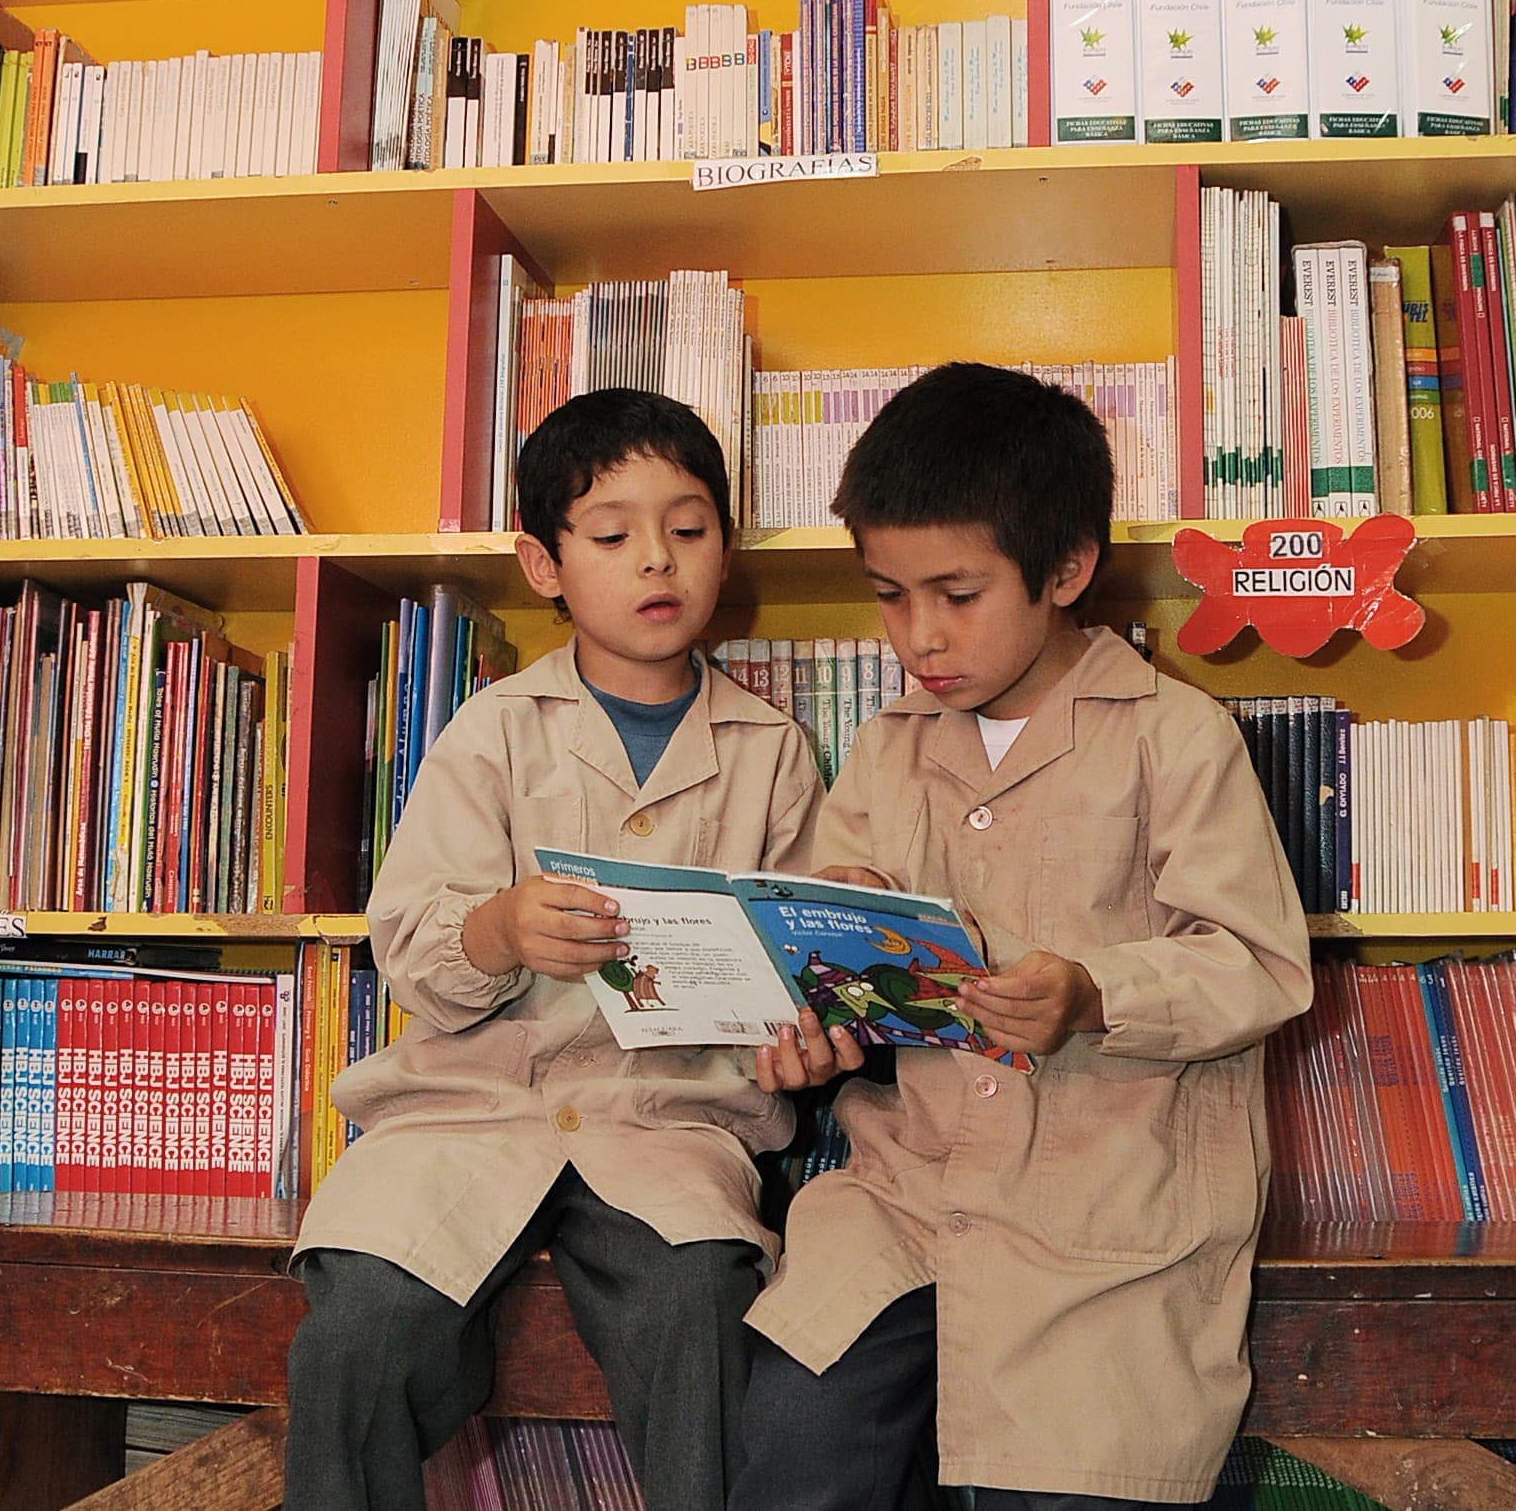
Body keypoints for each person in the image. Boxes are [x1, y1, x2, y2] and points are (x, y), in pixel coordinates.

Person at [730, 362, 1313, 1510]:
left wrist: (1096, 992)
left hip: (1107, 1209)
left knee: (1059, 1475)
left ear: (1066, 569)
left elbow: (1259, 962)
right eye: (890, 594)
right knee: (796, 1428)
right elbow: (837, 957)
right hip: (908, 1189)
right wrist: (815, 1000)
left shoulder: (1176, 736)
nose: (918, 635)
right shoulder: (891, 745)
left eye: (956, 592)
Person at [287, 388, 823, 1511]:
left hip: (668, 1120)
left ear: (726, 546)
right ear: (543, 562)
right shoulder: (492, 730)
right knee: (362, 1324)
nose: (656, 561)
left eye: (688, 528)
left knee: (701, 1308)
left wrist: (805, 1038)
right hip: (468, 1111)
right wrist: (496, 927)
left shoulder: (773, 753)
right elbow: (414, 939)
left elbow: (803, 955)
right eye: (613, 534)